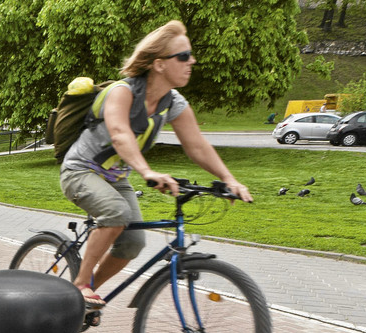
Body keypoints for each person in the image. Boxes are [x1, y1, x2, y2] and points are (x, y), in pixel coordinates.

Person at [60, 20, 251, 312]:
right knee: (115, 212)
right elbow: (120, 134)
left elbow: (197, 146)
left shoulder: (172, 102)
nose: (192, 62)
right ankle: (80, 285)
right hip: (80, 171)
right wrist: (147, 172)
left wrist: (229, 179)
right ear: (160, 64)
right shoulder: (122, 92)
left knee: (133, 243)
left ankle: (83, 301)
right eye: (184, 56)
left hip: (116, 178)